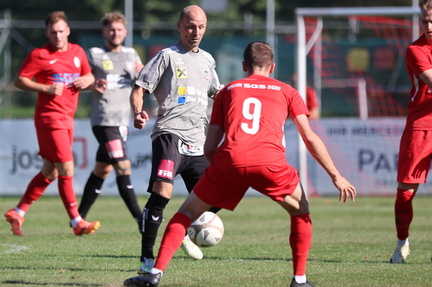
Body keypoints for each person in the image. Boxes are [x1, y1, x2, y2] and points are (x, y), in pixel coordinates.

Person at [124, 41, 357, 287]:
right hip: (270, 163)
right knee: (301, 211)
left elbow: (210, 146)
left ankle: (154, 274)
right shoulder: (288, 91)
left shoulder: (228, 91)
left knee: (185, 213)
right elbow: (309, 137)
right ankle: (299, 280)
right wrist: (336, 176)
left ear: (244, 65)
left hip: (230, 160)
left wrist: (222, 172)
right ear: (273, 66)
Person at [129, 5, 224, 273]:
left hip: (199, 138)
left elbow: (217, 92)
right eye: (191, 26)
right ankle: (146, 259)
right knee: (162, 192)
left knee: (214, 198)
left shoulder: (207, 59)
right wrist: (137, 112)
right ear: (180, 26)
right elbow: (139, 87)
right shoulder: (166, 56)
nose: (196, 32)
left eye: (201, 27)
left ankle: (180, 227)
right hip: (170, 133)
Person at [4, 11, 99, 236]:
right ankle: (76, 221)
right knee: (66, 167)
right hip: (49, 118)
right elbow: (20, 80)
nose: (57, 35)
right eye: (53, 32)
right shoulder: (39, 54)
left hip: (68, 118)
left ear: (68, 31)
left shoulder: (77, 52)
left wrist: (89, 80)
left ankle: (18, 211)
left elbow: (90, 77)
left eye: (61, 31)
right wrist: (45, 88)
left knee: (51, 171)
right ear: (48, 33)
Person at [77, 11, 144, 231]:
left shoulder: (131, 54)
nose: (115, 33)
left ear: (125, 32)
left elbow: (143, 78)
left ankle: (78, 219)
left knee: (101, 170)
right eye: (111, 29)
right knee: (123, 166)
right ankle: (140, 219)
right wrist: (92, 83)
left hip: (122, 122)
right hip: (104, 120)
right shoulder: (94, 54)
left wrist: (142, 73)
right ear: (104, 32)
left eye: (119, 30)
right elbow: (80, 79)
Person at [390, 0, 432, 264]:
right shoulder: (415, 50)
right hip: (421, 126)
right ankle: (402, 242)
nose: (429, 26)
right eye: (425, 21)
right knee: (405, 192)